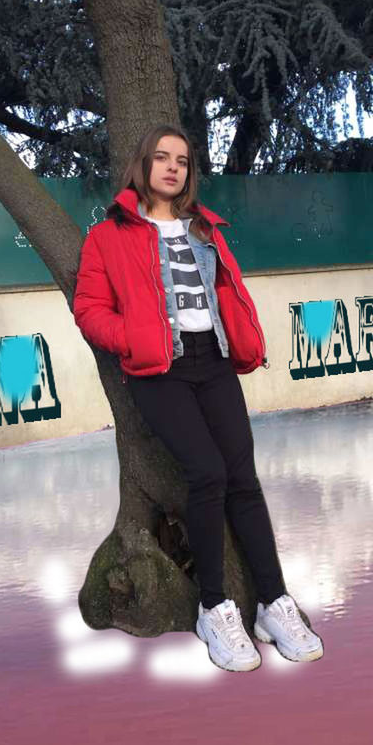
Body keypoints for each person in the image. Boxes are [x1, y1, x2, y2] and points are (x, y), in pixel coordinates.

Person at [73, 123, 324, 672]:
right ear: (143, 165)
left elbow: (229, 290)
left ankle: (273, 603)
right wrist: (131, 340)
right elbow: (89, 308)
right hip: (158, 370)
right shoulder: (108, 236)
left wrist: (244, 340)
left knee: (243, 479)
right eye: (161, 158)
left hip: (212, 361)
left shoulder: (203, 228)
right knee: (206, 474)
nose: (172, 168)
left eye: (182, 161)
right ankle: (215, 607)